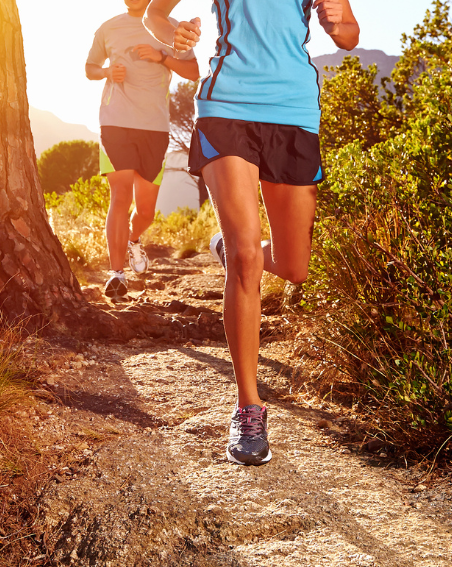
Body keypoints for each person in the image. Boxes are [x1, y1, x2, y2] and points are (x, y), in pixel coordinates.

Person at [144, 0, 359, 465]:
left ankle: (233, 249)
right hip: (226, 106)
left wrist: (339, 19)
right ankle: (248, 407)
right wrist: (173, 32)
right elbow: (153, 12)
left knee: (296, 268)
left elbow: (349, 37)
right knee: (246, 260)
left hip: (294, 111)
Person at [86, 0, 200, 301]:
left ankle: (134, 240)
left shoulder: (170, 27)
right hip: (115, 123)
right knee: (119, 197)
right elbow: (90, 69)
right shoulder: (108, 28)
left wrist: (162, 57)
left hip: (155, 127)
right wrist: (108, 72)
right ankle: (117, 274)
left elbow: (193, 71)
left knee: (146, 211)